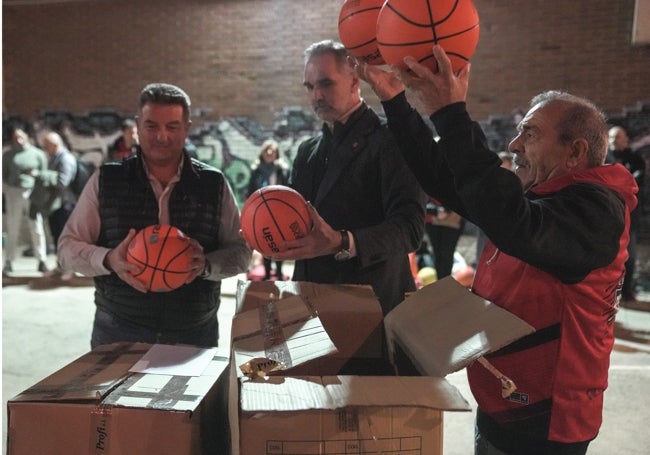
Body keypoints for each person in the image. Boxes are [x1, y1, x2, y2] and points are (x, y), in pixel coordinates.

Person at [356, 45, 637, 454]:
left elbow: (511, 222)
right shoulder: (539, 196)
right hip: (505, 400)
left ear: (575, 151)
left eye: (530, 133)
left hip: (546, 421)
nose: (514, 143)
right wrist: (395, 101)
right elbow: (445, 178)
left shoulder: (595, 212)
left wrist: (451, 113)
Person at [57, 82, 251, 348]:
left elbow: (241, 251)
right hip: (119, 327)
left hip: (193, 330)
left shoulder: (213, 183)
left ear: (187, 128)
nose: (162, 136)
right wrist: (109, 259)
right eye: (151, 126)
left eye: (172, 126)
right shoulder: (106, 179)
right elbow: (66, 249)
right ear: (137, 126)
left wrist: (205, 264)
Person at [272, 39, 427, 318]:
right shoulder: (307, 151)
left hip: (374, 308)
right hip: (311, 307)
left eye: (326, 84)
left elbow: (409, 229)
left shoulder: (391, 140)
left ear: (355, 81)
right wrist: (268, 232)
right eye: (310, 87)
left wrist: (343, 241)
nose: (316, 95)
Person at [2, 127, 50, 274]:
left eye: (21, 137)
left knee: (36, 227)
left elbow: (44, 173)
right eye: (15, 138)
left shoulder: (37, 154)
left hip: (33, 192)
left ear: (27, 137)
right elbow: (3, 174)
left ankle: (41, 260)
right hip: (14, 192)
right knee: (13, 227)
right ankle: (9, 261)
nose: (19, 140)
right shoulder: (9, 155)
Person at [606, 126, 646, 304]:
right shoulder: (603, 158)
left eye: (618, 137)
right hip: (606, 214)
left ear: (626, 139)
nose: (614, 140)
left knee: (629, 255)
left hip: (630, 216)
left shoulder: (636, 159)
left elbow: (636, 183)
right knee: (607, 256)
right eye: (612, 137)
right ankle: (608, 293)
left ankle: (627, 290)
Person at [246, 138, 290, 280]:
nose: (270, 152)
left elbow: (288, 191)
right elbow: (250, 192)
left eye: (273, 150)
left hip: (279, 212)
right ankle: (266, 271)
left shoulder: (282, 170)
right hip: (262, 212)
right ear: (262, 153)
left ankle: (278, 271)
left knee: (280, 242)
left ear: (277, 154)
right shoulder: (256, 171)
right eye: (267, 150)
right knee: (265, 242)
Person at [475, 151, 514, 261]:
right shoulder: (488, 182)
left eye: (507, 167)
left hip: (503, 225)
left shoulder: (514, 184)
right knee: (482, 252)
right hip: (486, 222)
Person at [425, 197, 464, 279]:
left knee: (447, 255)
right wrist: (435, 211)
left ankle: (444, 286)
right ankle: (440, 286)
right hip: (432, 217)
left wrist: (446, 210)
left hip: (453, 216)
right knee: (438, 255)